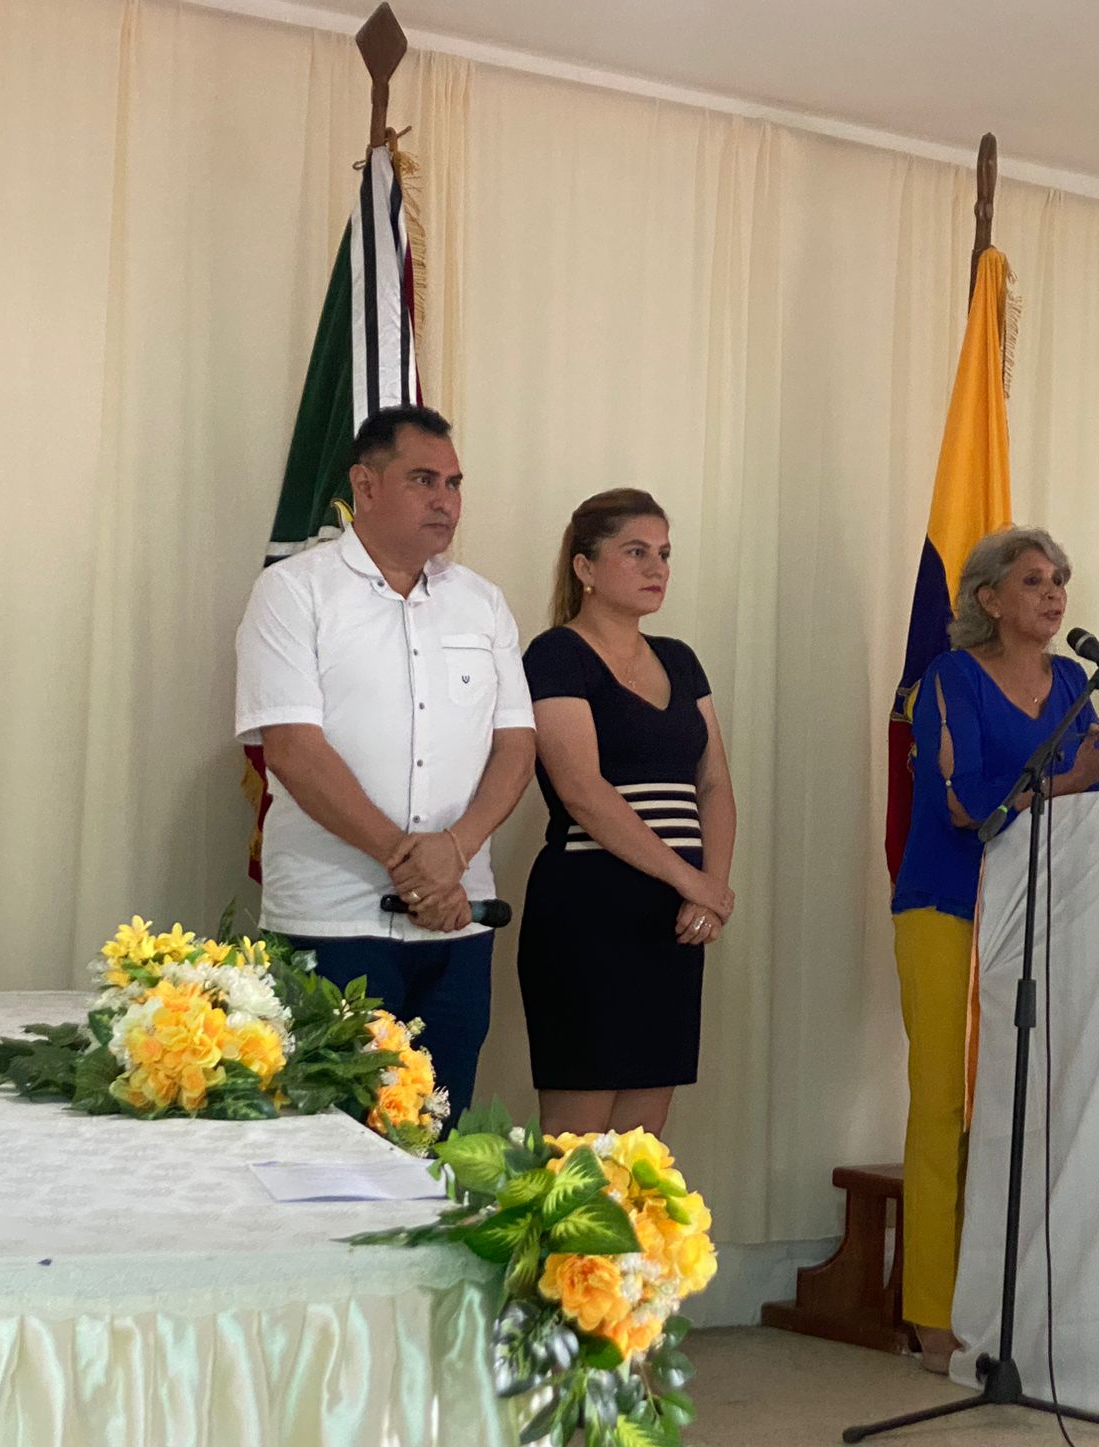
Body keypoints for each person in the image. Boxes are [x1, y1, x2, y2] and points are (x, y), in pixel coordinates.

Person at [235, 404, 536, 1123]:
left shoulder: (482, 603)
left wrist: (453, 853)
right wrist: (411, 861)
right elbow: (294, 750)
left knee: (440, 1135)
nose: (445, 500)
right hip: (332, 921)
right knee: (328, 1141)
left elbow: (517, 745)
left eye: (454, 484)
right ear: (365, 486)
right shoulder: (295, 591)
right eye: (423, 480)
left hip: (458, 922)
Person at [892, 525, 1099, 1373]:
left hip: (1039, 911)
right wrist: (1072, 779)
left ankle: (1000, 1296)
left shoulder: (1073, 681)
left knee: (1018, 1110)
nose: (1054, 594)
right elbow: (964, 802)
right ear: (988, 598)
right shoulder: (949, 677)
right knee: (943, 1106)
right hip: (947, 905)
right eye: (1033, 580)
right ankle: (930, 1313)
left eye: (1059, 580)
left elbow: (1094, 789)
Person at [517, 491, 737, 1140]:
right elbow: (582, 790)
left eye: (664, 554)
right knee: (576, 1142)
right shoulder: (556, 655)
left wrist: (710, 890)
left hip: (674, 921)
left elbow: (715, 783)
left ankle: (635, 1223)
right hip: (589, 913)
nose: (657, 568)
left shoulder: (680, 659)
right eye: (636, 552)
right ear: (585, 567)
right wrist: (693, 881)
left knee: (642, 1143)